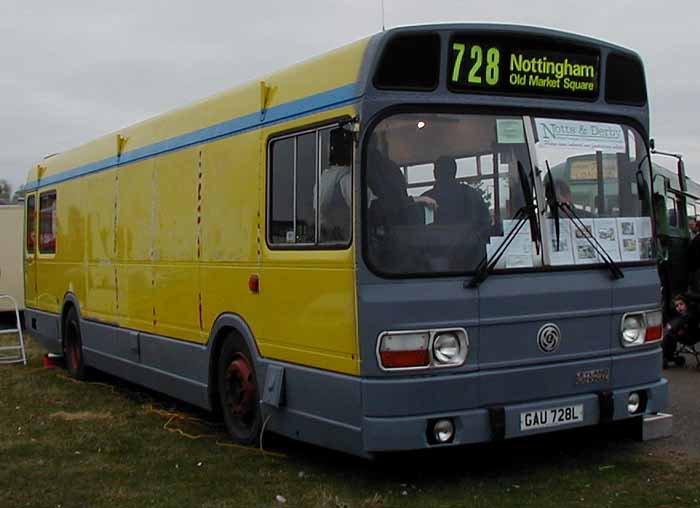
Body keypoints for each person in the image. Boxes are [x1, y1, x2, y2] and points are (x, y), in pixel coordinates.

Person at [421, 156, 489, 239]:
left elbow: (418, 233)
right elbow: (485, 225)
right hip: (468, 249)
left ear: (435, 173)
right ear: (454, 172)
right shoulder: (471, 195)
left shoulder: (426, 199)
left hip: (435, 250)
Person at [663, 294, 697, 365]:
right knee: (669, 335)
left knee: (670, 333)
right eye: (677, 306)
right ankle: (668, 356)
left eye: (681, 304)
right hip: (679, 335)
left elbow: (684, 320)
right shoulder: (679, 315)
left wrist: (671, 326)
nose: (679, 307)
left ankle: (667, 356)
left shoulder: (691, 313)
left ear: (686, 304)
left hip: (691, 336)